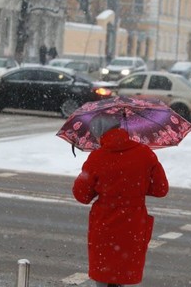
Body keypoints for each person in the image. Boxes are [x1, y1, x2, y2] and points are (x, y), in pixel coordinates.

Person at [72, 122, 169, 287]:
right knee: (124, 273)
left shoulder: (98, 157)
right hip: (134, 224)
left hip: (104, 224)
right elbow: (161, 189)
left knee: (104, 275)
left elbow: (82, 195)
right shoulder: (145, 154)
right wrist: (135, 187)